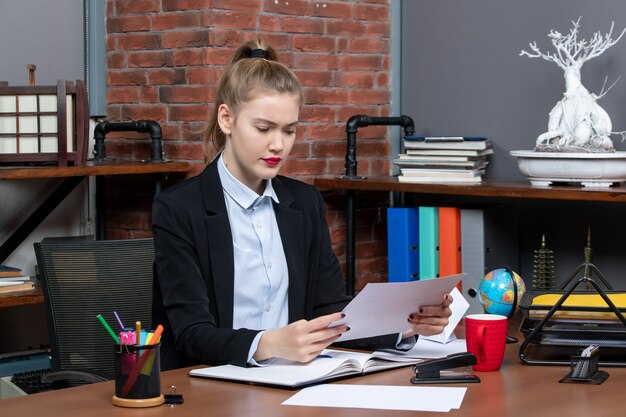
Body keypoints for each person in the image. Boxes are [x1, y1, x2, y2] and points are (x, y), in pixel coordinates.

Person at [152, 39, 453, 371]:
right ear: (226, 119)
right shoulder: (179, 208)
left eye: (289, 131)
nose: (278, 145)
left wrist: (405, 325)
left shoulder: (305, 202)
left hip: (291, 380)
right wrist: (267, 343)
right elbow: (190, 334)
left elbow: (329, 308)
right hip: (210, 385)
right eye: (263, 128)